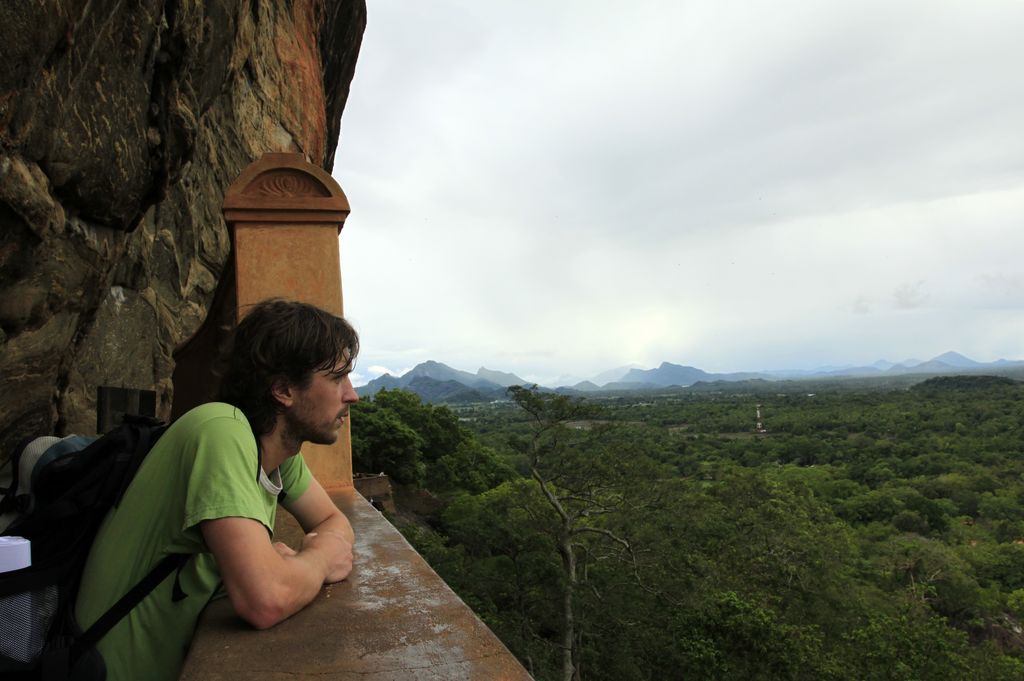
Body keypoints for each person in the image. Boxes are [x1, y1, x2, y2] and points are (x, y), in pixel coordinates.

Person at [74, 298, 360, 681]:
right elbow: (266, 600)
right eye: (337, 377)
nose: (351, 394)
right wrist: (319, 561)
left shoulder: (276, 451)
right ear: (283, 390)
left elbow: (331, 520)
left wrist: (296, 563)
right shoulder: (221, 432)